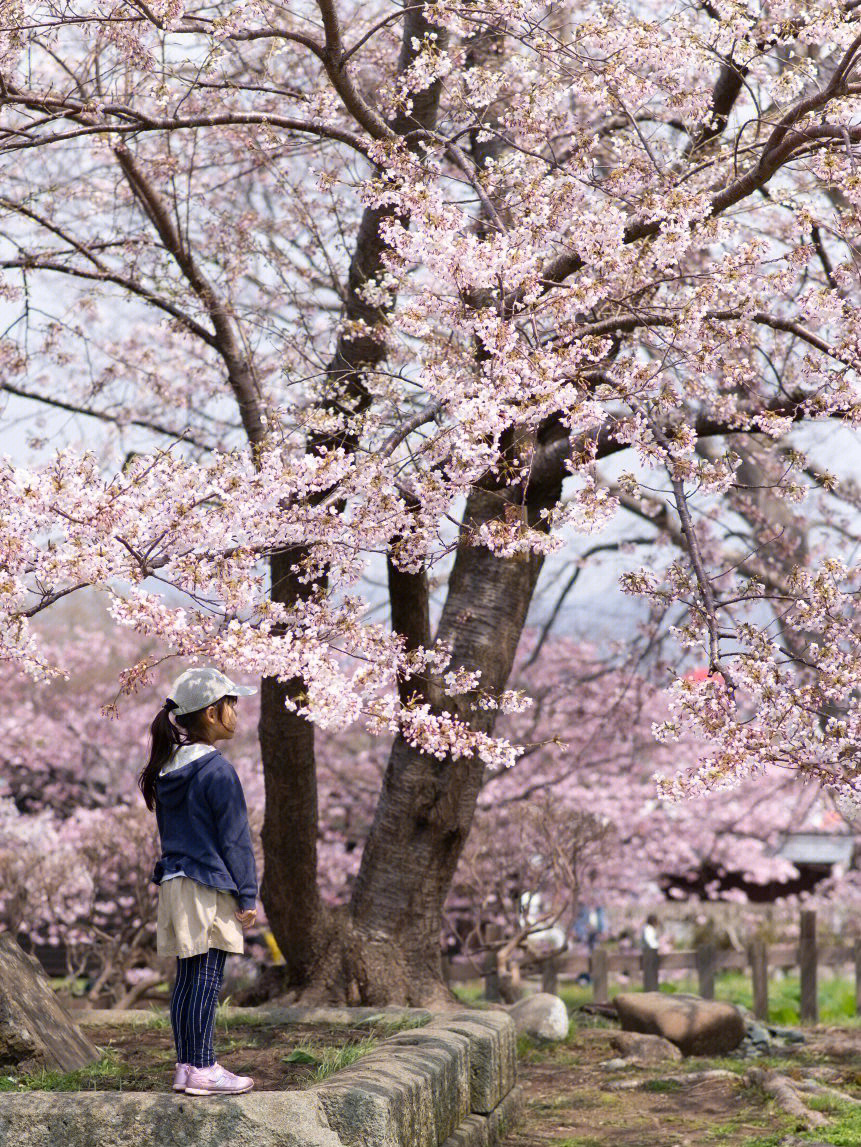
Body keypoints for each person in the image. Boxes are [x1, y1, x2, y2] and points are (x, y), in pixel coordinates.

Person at [139, 667, 259, 1096]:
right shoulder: (216, 770)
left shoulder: (168, 768)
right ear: (211, 713)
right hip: (206, 886)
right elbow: (235, 838)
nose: (237, 712)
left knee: (188, 979)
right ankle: (205, 1067)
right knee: (206, 979)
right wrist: (247, 892)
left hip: (175, 883)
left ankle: (188, 1067)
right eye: (232, 704)